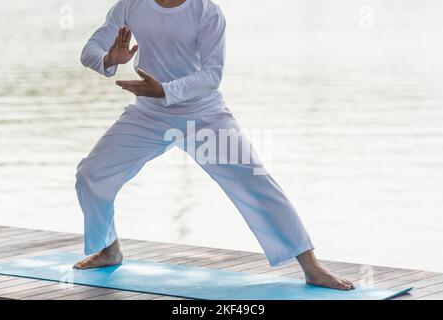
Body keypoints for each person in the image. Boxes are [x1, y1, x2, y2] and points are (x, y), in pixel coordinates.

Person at [73, 0, 354, 290]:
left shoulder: (206, 11)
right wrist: (109, 59)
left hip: (202, 116)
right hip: (149, 115)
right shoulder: (132, 5)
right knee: (91, 174)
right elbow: (89, 51)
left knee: (255, 181)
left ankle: (312, 267)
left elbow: (212, 74)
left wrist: (166, 90)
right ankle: (109, 249)